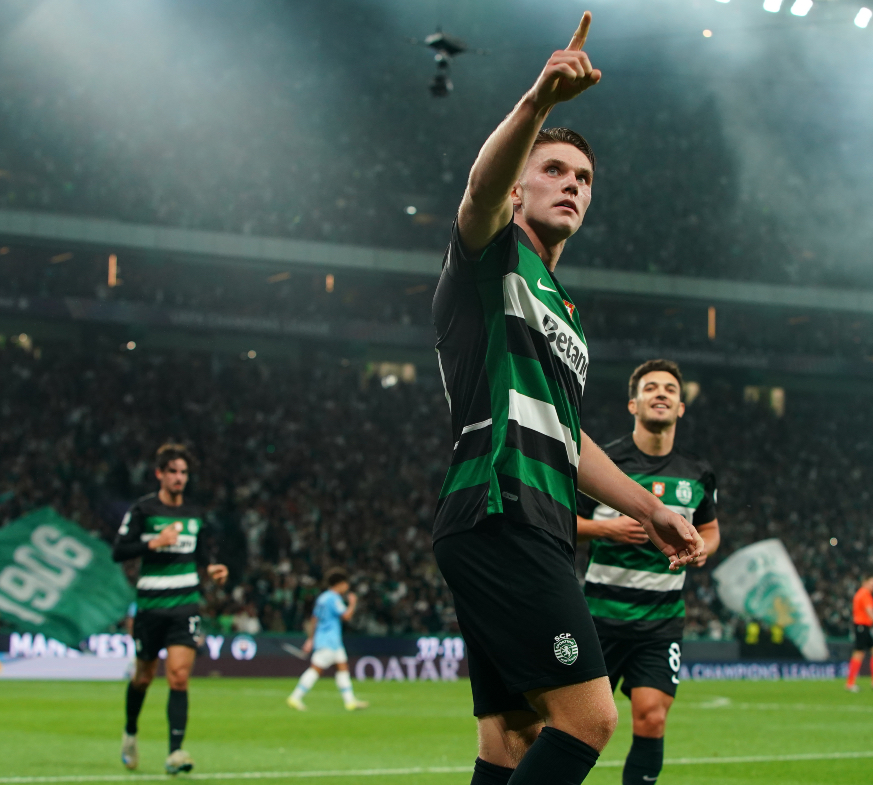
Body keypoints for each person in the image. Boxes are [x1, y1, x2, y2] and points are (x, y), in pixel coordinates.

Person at [430, 12, 704, 785]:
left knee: (511, 735)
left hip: (535, 521)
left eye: (583, 180)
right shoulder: (493, 257)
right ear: (521, 186)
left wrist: (650, 509)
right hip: (501, 510)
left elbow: (571, 438)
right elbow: (481, 189)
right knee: (590, 718)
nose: (572, 186)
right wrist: (538, 104)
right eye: (554, 172)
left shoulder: (565, 309)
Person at [576, 359, 720, 785]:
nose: (661, 393)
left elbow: (711, 532)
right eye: (651, 387)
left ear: (680, 408)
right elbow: (561, 521)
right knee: (580, 725)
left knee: (652, 718)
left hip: (661, 623)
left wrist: (701, 550)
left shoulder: (698, 472)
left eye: (670, 390)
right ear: (633, 404)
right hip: (599, 619)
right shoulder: (603, 463)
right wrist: (609, 528)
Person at [112, 443, 229, 775]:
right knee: (144, 677)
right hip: (150, 606)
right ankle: (130, 733)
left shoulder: (194, 515)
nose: (179, 478)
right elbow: (119, 551)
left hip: (184, 605)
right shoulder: (143, 510)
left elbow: (201, 556)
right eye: (173, 472)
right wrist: (153, 543)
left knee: (178, 677)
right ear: (159, 474)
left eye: (184, 473)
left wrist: (212, 570)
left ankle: (175, 752)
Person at [287, 570, 368, 711]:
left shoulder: (322, 598)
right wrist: (352, 603)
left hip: (329, 640)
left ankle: (350, 701)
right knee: (316, 669)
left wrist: (311, 639)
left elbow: (314, 619)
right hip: (329, 641)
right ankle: (295, 697)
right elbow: (346, 616)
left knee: (342, 668)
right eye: (345, 583)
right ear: (340, 584)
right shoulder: (333, 599)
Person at [844, 575, 873, 693]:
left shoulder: (861, 594)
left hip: (863, 627)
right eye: (871, 583)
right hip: (861, 627)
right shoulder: (864, 594)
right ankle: (850, 684)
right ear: (864, 582)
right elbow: (869, 611)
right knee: (859, 653)